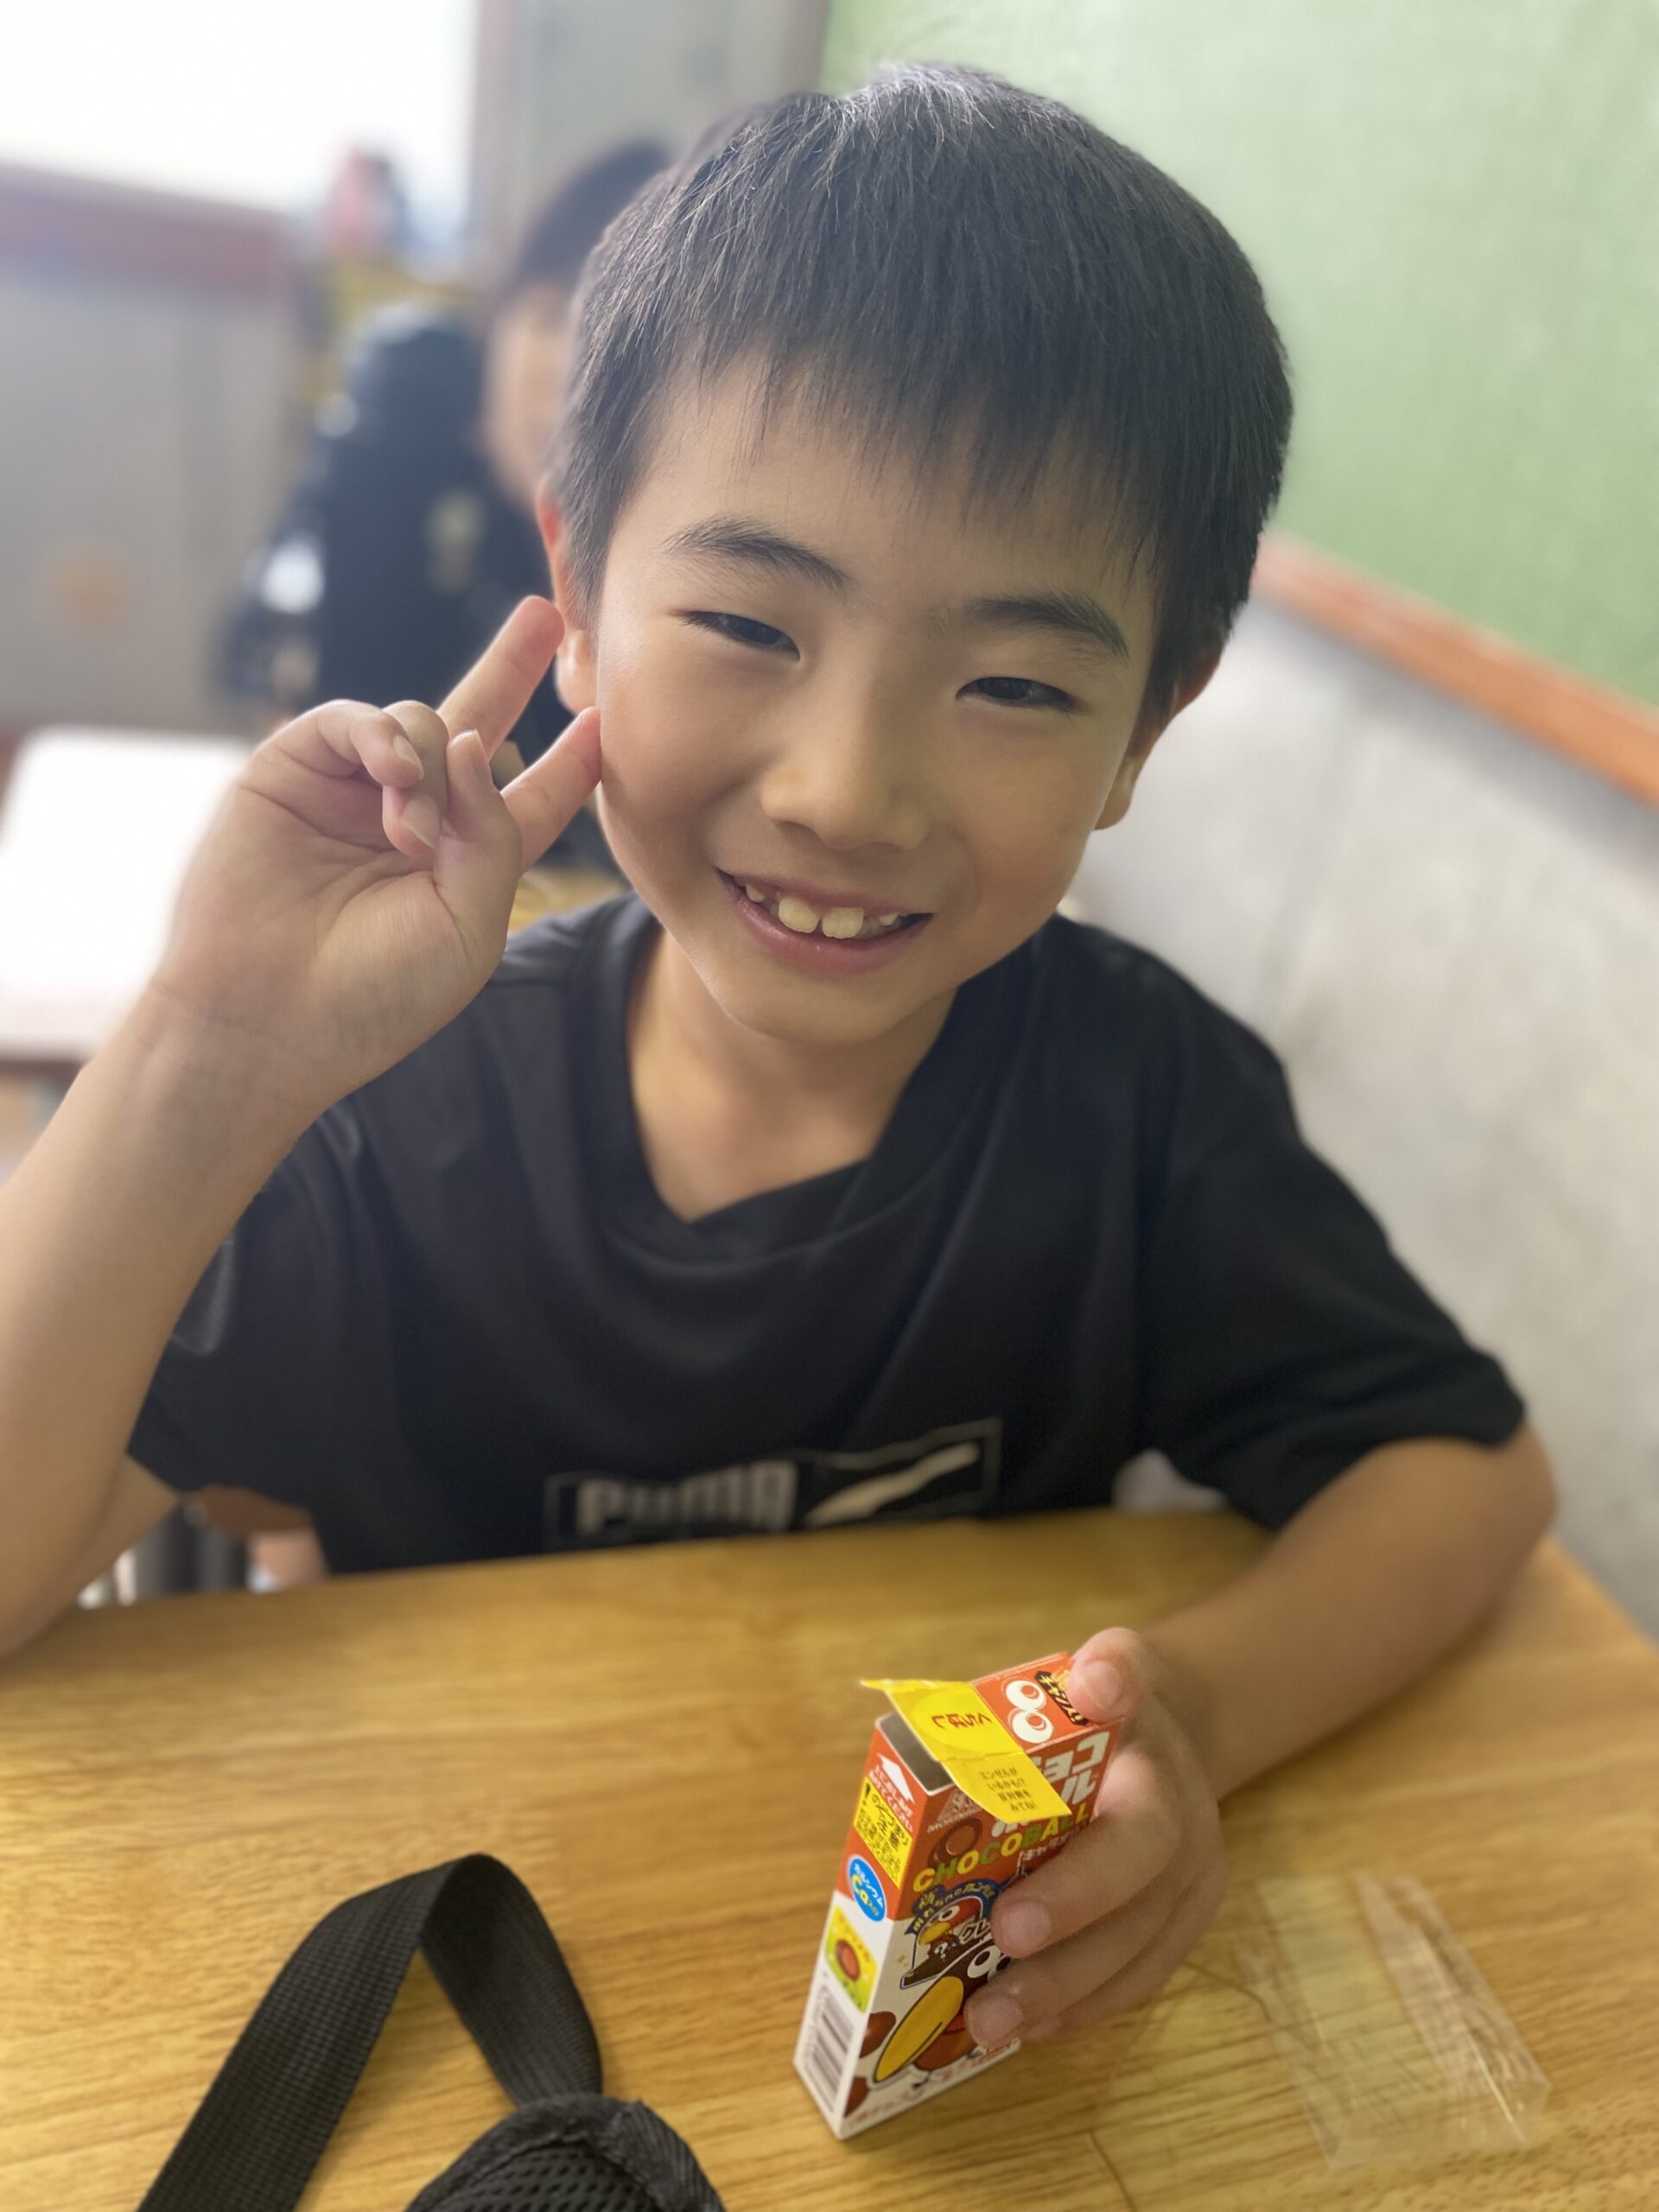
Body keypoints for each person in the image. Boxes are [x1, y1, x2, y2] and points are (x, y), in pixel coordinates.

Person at [0, 67, 1553, 2054]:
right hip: (442, 1997)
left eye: (1016, 681)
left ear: (1148, 729)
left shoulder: (1143, 1108)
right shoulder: (389, 1096)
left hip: (927, 2045)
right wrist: (205, 1048)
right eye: (747, 620)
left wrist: (1199, 1707)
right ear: (577, 596)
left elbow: (1467, 1471)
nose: (847, 791)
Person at [221, 141, 666, 867]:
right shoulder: (404, 434)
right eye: (548, 316)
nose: (566, 375)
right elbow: (316, 702)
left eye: (612, 343)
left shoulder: (660, 568)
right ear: (497, 322)